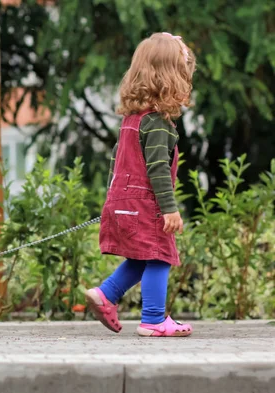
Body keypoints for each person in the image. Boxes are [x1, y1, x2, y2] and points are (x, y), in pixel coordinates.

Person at [85, 32, 196, 337]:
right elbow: (158, 169)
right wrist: (169, 209)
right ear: (171, 80)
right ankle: (153, 320)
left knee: (139, 257)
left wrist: (115, 203)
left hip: (122, 199)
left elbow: (116, 163)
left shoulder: (131, 121)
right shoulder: (157, 123)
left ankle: (106, 294)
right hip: (146, 204)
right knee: (160, 256)